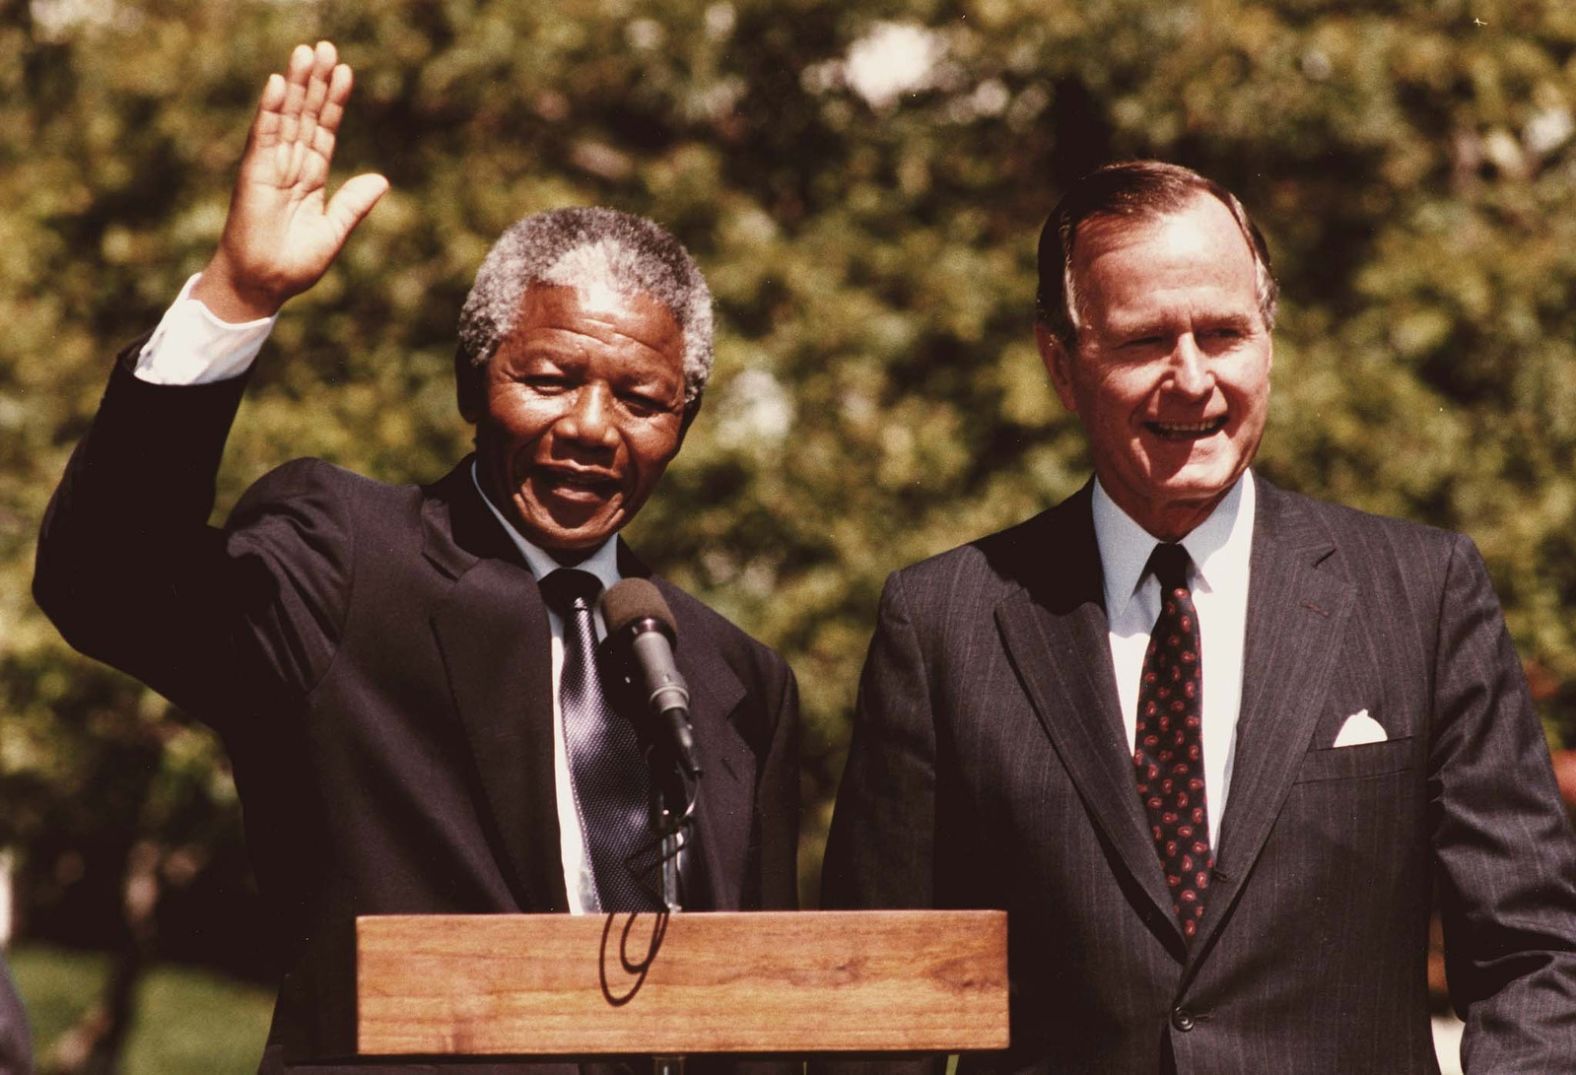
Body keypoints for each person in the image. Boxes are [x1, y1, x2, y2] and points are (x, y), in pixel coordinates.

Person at [34, 41, 798, 1073]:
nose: (591, 425)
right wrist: (237, 296)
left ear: (685, 422)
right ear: (474, 383)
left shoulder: (730, 673)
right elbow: (107, 584)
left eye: (641, 398)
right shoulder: (350, 561)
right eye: (552, 376)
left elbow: (759, 994)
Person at [821, 160, 1576, 1074]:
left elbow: (1531, 954)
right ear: (1061, 365)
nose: (1192, 379)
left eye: (1224, 333)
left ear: (1270, 339)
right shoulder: (943, 624)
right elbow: (874, 1009)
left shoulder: (1422, 593)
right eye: (1145, 341)